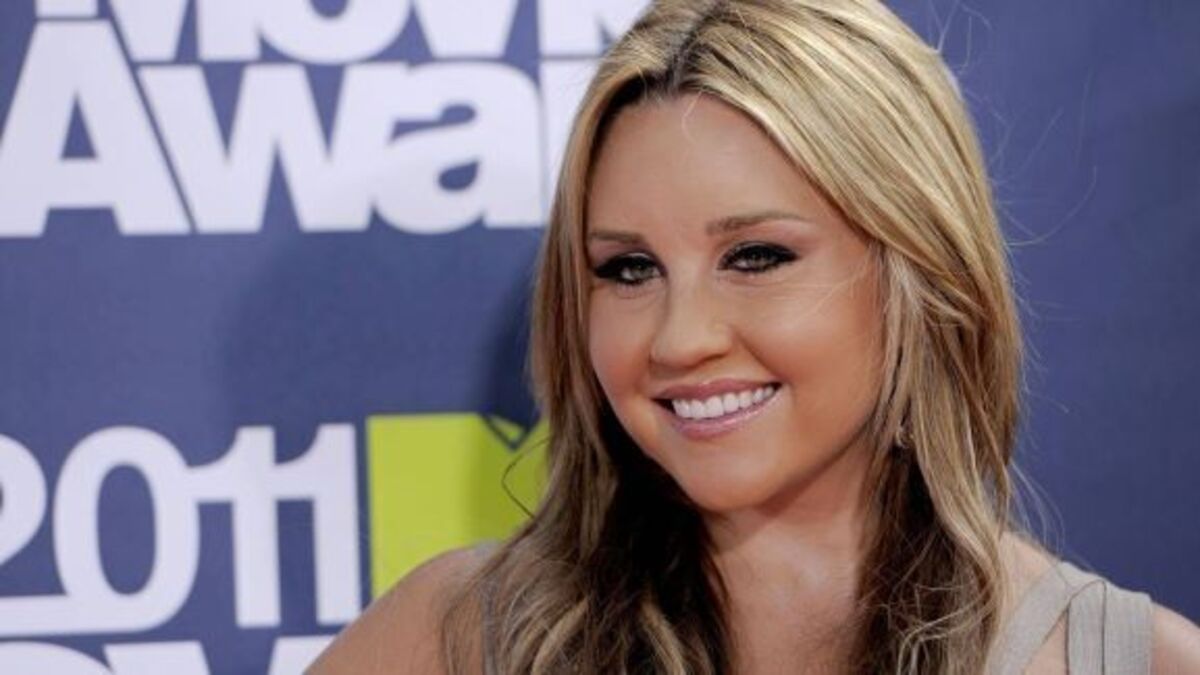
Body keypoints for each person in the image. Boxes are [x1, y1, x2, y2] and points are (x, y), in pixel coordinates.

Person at [311, 1, 1200, 672]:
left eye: (756, 256)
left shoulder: (1134, 660)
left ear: (920, 271)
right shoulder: (455, 639)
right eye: (629, 268)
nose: (679, 338)